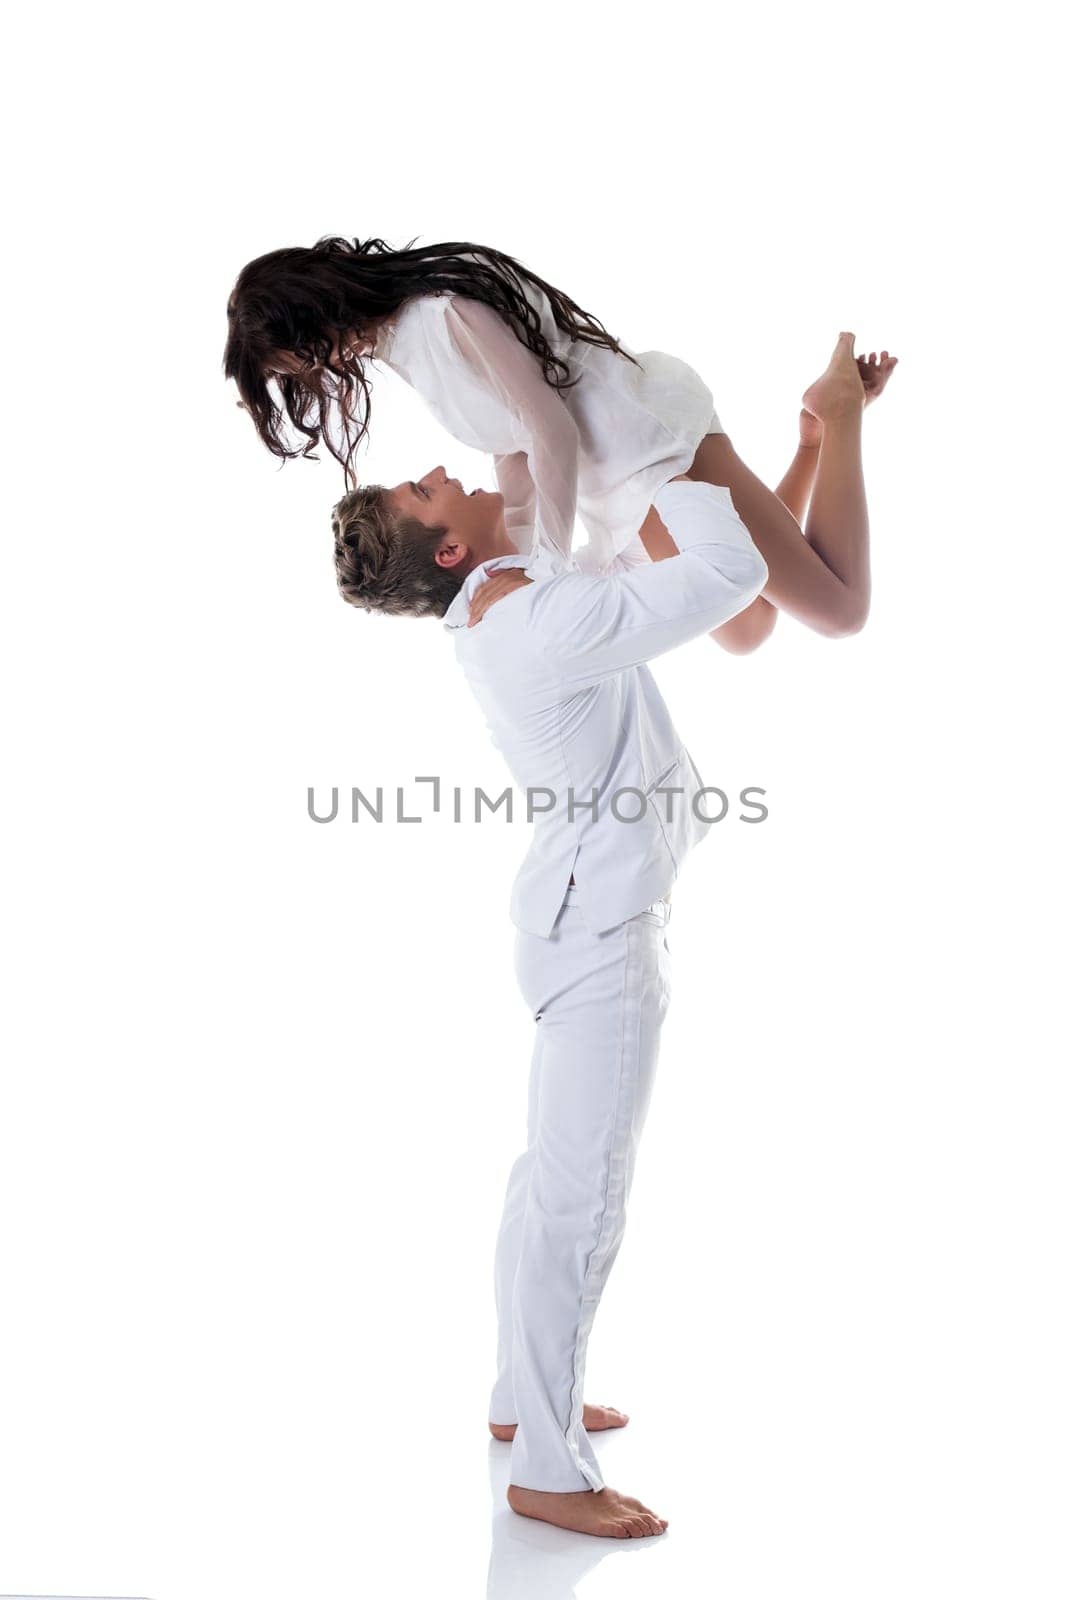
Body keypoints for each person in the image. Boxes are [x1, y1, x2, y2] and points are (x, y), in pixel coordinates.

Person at [326, 332, 870, 1537]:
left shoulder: (531, 599)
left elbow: (732, 586)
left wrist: (799, 447)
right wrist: (661, 423)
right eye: (429, 487)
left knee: (546, 1188)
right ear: (450, 546)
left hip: (582, 918)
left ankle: (523, 1403)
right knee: (582, 1198)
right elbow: (726, 571)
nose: (447, 469)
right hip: (601, 934)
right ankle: (549, 1473)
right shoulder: (539, 622)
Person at [225, 236, 897, 653]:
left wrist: (544, 566)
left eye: (295, 362)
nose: (310, 375)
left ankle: (838, 412)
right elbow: (514, 449)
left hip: (644, 452)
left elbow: (550, 428)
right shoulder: (402, 343)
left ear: (310, 320)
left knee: (838, 614)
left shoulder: (444, 311)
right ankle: (812, 442)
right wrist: (505, 573)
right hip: (610, 482)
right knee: (744, 628)